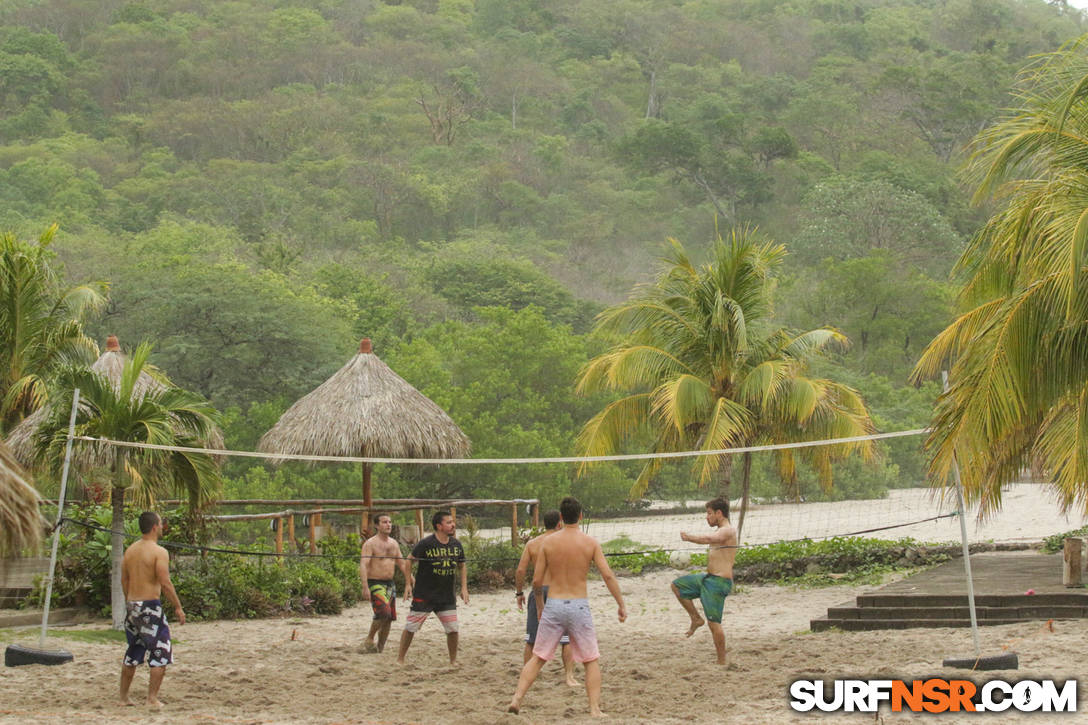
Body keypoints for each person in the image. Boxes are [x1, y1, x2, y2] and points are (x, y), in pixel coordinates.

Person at [507, 497, 626, 717]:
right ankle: (594, 709)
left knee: (539, 657)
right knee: (590, 659)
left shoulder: (547, 543)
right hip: (579, 604)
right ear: (580, 516)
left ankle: (517, 699)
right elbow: (607, 575)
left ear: (561, 518)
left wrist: (541, 606)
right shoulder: (590, 542)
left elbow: (536, 581)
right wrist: (621, 604)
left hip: (555, 602)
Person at [119, 511, 185, 709]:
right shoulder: (159, 552)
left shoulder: (130, 551)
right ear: (155, 527)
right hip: (150, 606)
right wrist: (177, 606)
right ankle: (152, 698)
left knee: (134, 649)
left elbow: (125, 580)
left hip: (132, 605)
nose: (163, 526)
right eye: (161, 523)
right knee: (160, 652)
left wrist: (130, 602)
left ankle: (123, 698)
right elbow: (165, 582)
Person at [671, 497, 738, 665]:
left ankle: (721, 661)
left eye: (709, 513)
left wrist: (689, 538)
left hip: (718, 582)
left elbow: (708, 539)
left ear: (719, 513)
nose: (707, 517)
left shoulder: (728, 531)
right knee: (677, 586)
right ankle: (695, 618)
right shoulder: (720, 531)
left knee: (714, 624)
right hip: (707, 579)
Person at [396, 511, 468, 665]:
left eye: (452, 522)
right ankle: (400, 659)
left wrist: (464, 588)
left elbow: (462, 565)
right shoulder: (426, 543)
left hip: (446, 596)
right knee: (411, 627)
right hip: (425, 595)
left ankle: (453, 661)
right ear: (439, 526)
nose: (453, 525)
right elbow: (409, 561)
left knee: (453, 629)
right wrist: (408, 584)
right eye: (448, 522)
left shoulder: (456, 544)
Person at [514, 510, 576, 686]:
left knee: (532, 638)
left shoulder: (533, 544)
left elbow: (520, 571)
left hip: (539, 590)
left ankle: (527, 675)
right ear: (559, 524)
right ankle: (569, 676)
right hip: (560, 590)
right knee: (567, 638)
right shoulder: (565, 543)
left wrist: (519, 593)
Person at [360, 513, 410, 653]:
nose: (388, 524)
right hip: (375, 582)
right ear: (377, 525)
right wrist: (365, 586)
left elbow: (402, 564)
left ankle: (380, 648)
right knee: (384, 612)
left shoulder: (394, 543)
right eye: (384, 522)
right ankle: (370, 638)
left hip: (390, 584)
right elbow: (363, 564)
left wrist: (411, 580)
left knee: (389, 618)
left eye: (390, 522)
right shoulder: (370, 544)